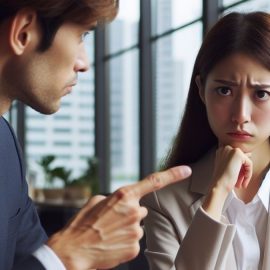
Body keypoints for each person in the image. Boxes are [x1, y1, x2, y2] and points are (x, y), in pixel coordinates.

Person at [0, 1, 192, 269]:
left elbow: (29, 258)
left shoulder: (6, 146)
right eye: (81, 36)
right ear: (23, 33)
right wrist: (69, 254)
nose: (84, 64)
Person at [142, 11, 270, 270]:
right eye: (225, 90)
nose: (241, 116)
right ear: (201, 90)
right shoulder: (163, 202)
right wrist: (217, 194)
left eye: (261, 93)